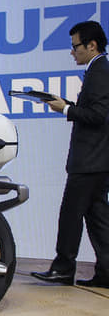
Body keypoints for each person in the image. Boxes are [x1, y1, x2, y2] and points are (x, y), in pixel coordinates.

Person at [31, 20, 109, 288]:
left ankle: (63, 269)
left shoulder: (99, 71)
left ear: (92, 45)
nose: (72, 52)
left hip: (89, 161)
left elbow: (98, 116)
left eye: (76, 47)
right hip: (98, 161)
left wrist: (65, 109)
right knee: (98, 219)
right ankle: (107, 273)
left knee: (70, 216)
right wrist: (67, 105)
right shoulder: (99, 69)